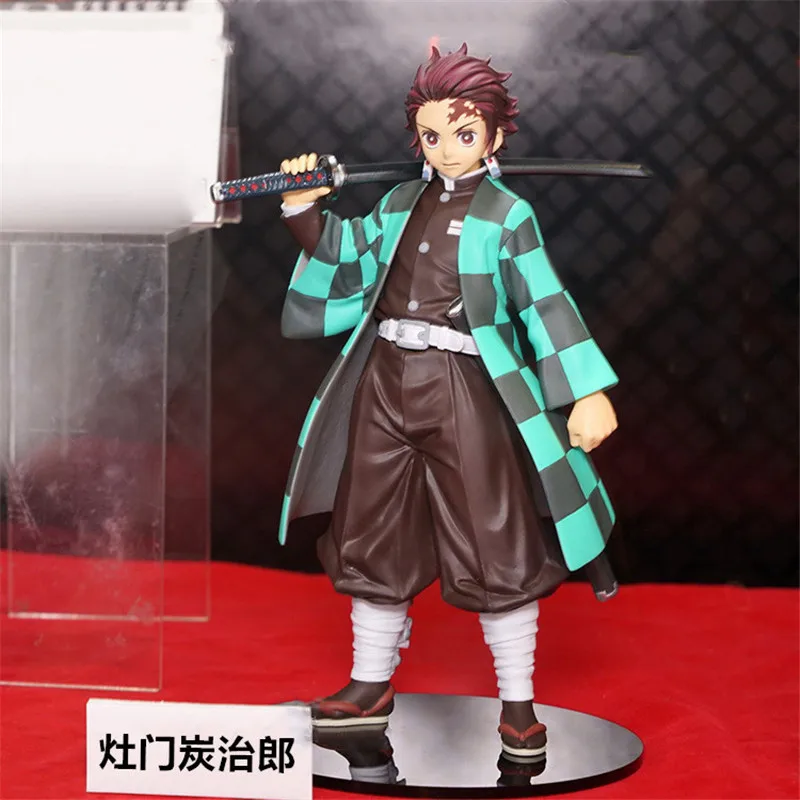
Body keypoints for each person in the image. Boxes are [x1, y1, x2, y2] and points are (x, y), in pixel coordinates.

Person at [277, 43, 618, 760]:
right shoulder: (398, 203)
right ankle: (369, 685)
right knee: (370, 534)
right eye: (431, 135)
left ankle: (518, 705)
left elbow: (545, 302)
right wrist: (304, 206)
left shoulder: (507, 214)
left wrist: (587, 390)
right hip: (385, 383)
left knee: (495, 539)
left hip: (464, 388)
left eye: (464, 133)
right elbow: (346, 255)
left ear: (494, 135)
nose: (446, 148)